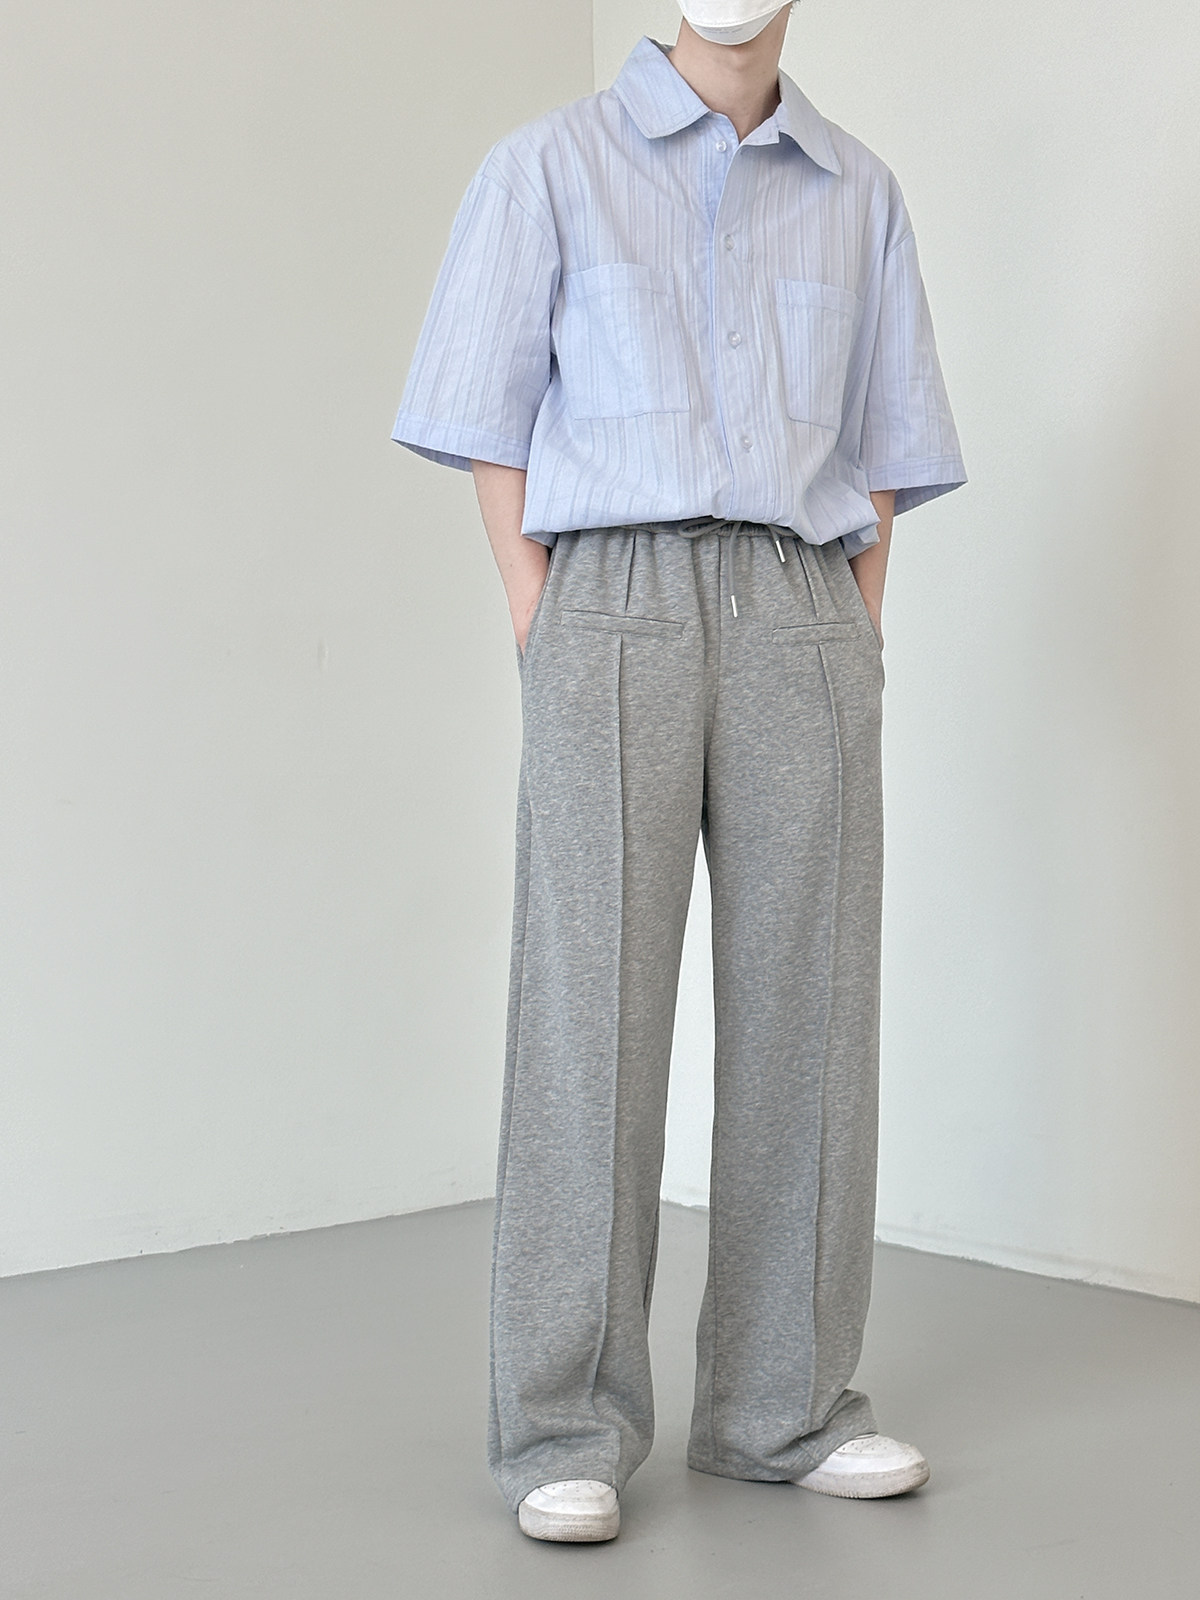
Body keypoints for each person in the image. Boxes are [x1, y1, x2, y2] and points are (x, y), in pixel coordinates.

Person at [391, 0, 966, 1545]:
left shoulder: (861, 191)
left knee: (811, 1013)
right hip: (613, 597)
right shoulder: (547, 166)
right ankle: (561, 1427)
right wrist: (543, 618)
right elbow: (484, 414)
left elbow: (888, 444)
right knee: (591, 1012)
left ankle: (785, 1407)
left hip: (799, 602)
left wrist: (850, 629)